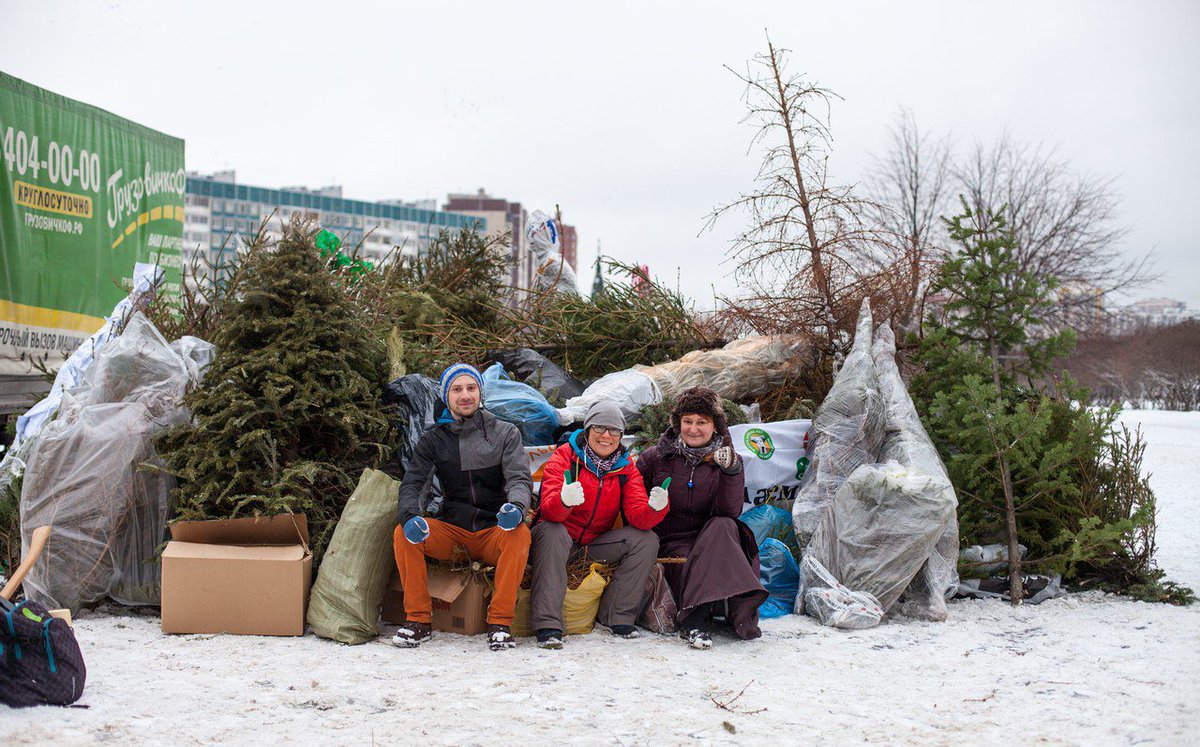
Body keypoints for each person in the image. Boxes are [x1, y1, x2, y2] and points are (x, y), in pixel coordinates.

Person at [392, 362, 533, 651]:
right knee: (401, 534)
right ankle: (418, 620)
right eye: (457, 389)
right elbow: (414, 484)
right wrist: (409, 516)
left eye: (471, 388)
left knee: (520, 535)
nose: (465, 395)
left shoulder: (505, 433)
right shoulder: (434, 440)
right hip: (453, 531)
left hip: (495, 529)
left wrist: (516, 507)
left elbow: (519, 478)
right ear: (446, 397)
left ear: (480, 392)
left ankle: (500, 623)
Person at [636, 387, 767, 649]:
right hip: (672, 540)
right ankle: (696, 620)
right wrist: (651, 506)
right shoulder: (656, 457)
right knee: (698, 558)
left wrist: (730, 472)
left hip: (714, 538)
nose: (693, 429)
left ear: (715, 426)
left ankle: (701, 618)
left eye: (702, 422)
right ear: (678, 423)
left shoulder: (730, 460)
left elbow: (728, 512)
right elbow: (632, 499)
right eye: (688, 421)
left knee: (724, 525)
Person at [530, 401, 667, 649]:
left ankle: (617, 616)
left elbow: (638, 516)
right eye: (600, 428)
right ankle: (548, 624)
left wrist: (656, 509)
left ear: (621, 436)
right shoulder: (564, 457)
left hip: (593, 544)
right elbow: (549, 511)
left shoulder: (626, 468)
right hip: (557, 537)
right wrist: (564, 500)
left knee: (646, 540)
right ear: (587, 429)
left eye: (614, 430)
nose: (607, 435)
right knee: (554, 530)